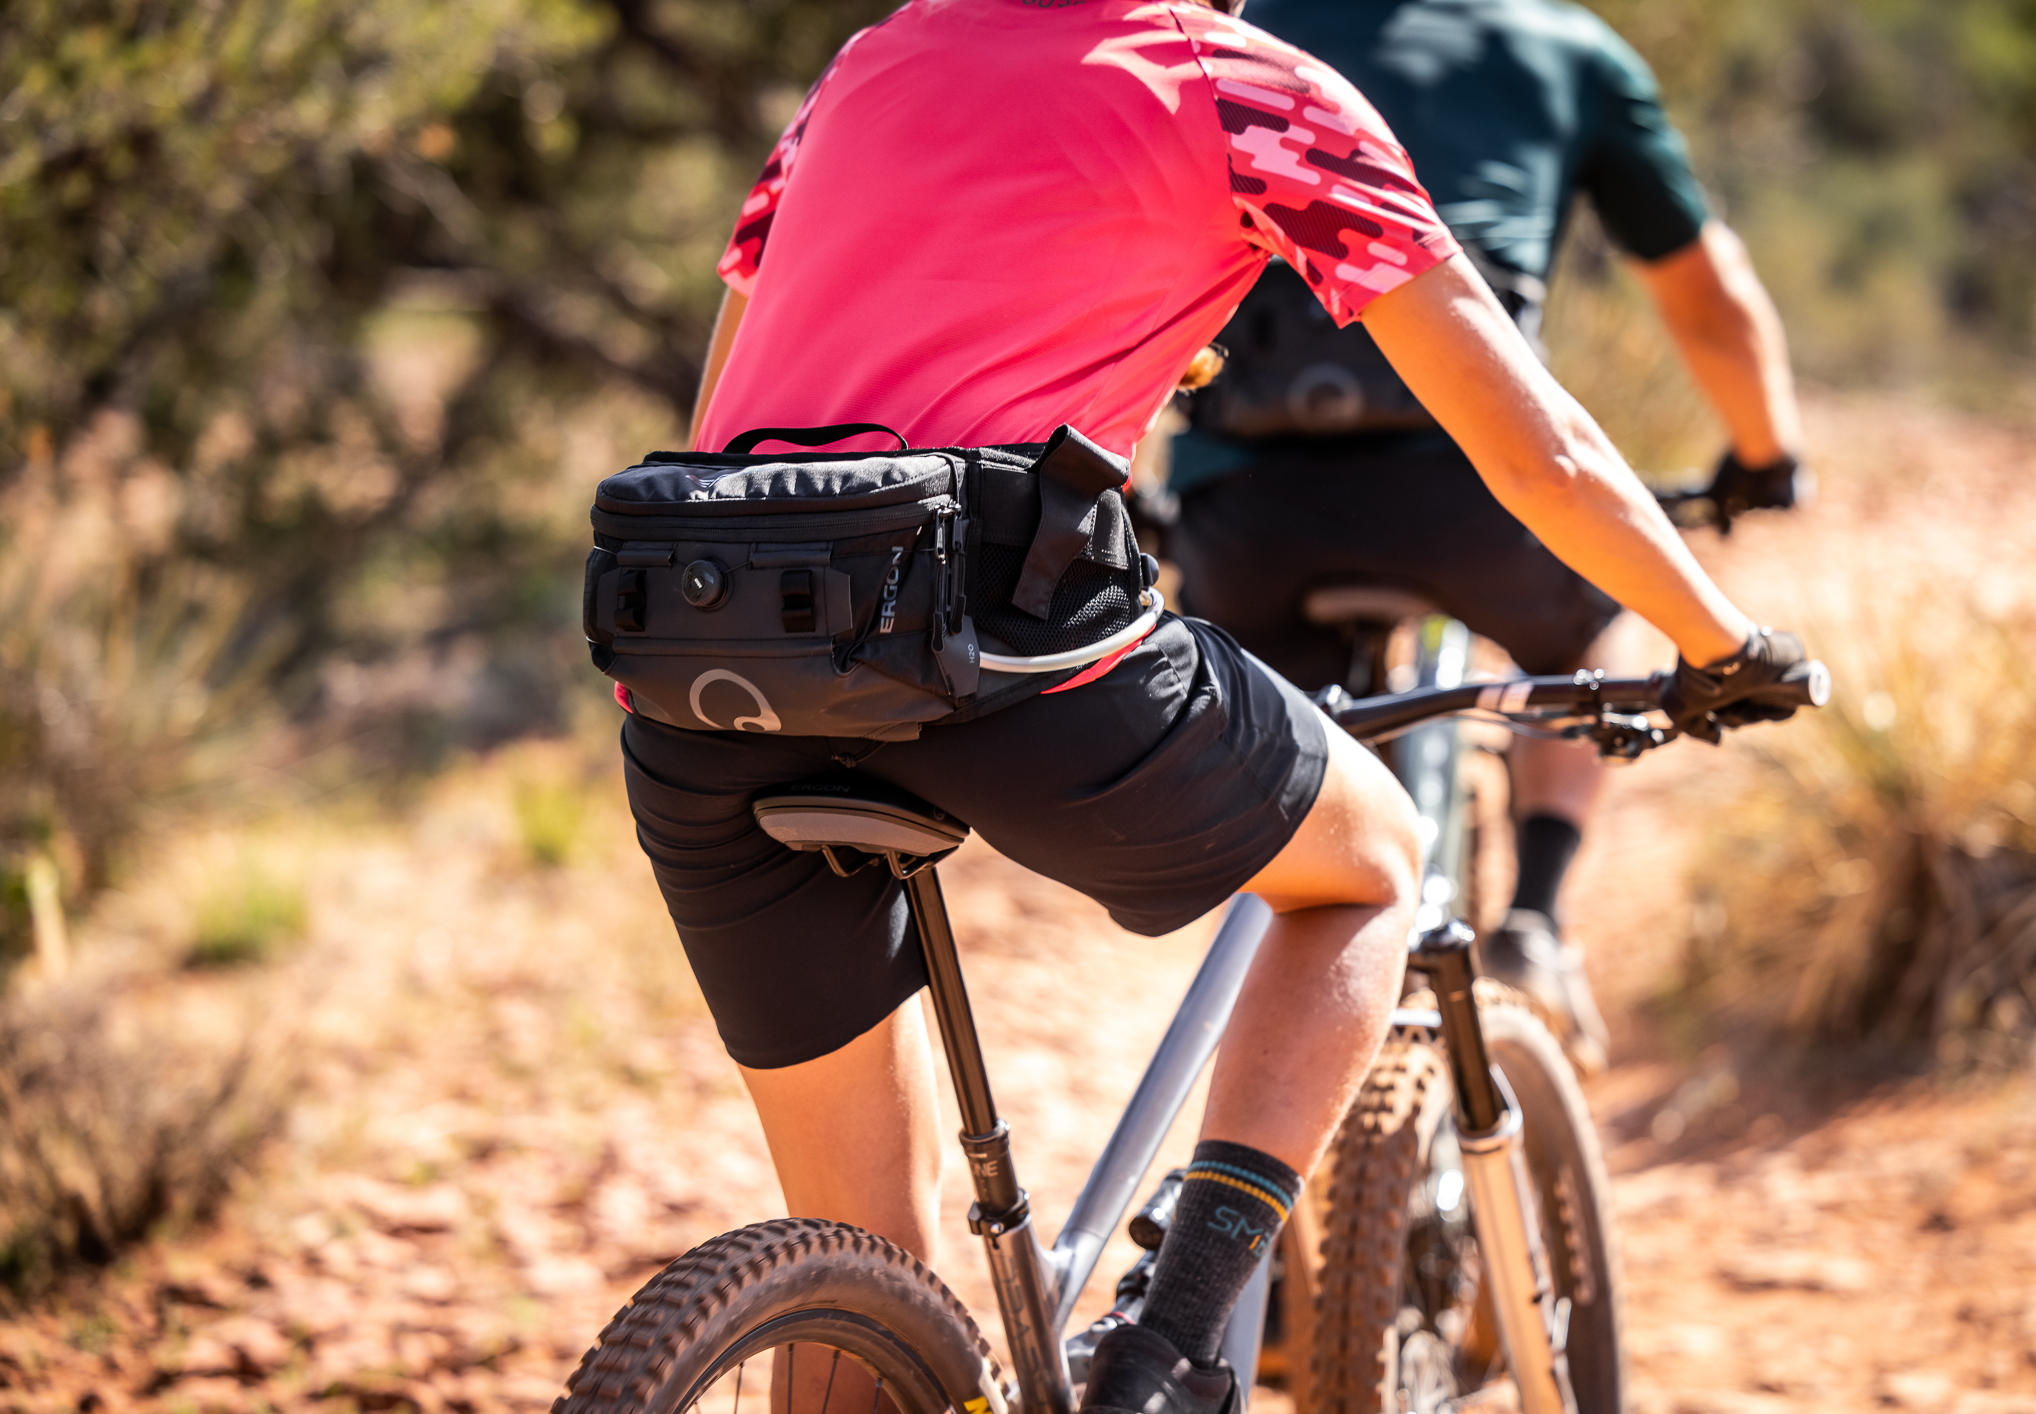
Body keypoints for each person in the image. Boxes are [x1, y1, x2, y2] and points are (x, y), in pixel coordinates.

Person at [646, 3, 1802, 1412]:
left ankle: (869, 1330)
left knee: (863, 1269)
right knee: (1370, 864)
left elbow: (725, 399)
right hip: (999, 663)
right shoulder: (1247, 91)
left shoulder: (867, 62)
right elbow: (1538, 451)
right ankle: (1179, 1342)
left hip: (703, 659)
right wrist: (1724, 638)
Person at [1163, 0, 1809, 1075]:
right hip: (1478, 491)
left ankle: (1275, 992)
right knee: (1589, 629)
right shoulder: (1563, 47)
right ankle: (1534, 922)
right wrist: (1763, 454)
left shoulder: (1227, 29)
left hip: (1250, 509)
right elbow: (1706, 298)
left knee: (1284, 763)